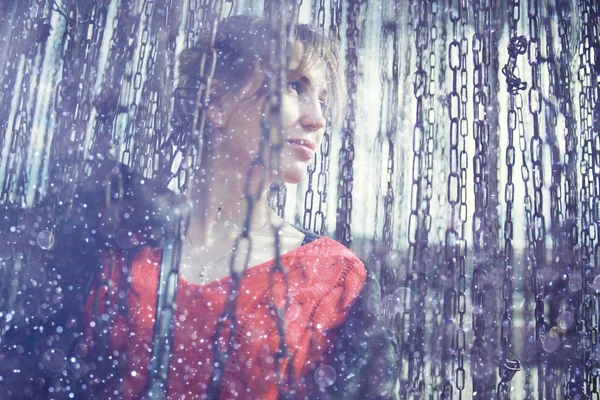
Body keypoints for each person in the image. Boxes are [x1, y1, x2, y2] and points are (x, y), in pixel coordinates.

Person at [1, 15, 398, 400]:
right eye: (295, 86)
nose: (318, 119)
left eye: (322, 99)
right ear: (215, 102)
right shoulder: (116, 249)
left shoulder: (333, 279)